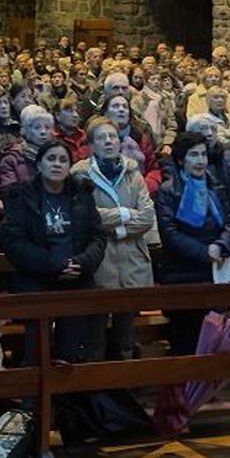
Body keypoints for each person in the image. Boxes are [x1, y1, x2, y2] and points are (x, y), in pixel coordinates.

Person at [0, 139, 105, 363]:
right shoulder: (21, 196)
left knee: (74, 353)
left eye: (63, 160)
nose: (57, 164)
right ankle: (33, 398)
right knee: (36, 353)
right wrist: (53, 265)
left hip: (77, 282)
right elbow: (13, 242)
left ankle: (69, 397)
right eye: (51, 159)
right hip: (37, 283)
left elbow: (98, 236)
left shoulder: (82, 194)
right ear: (39, 164)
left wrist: (83, 263)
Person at [73, 114, 155, 361]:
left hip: (131, 259)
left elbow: (147, 217)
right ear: (91, 144)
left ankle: (126, 385)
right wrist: (123, 213)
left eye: (112, 136)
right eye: (101, 138)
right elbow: (86, 217)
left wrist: (116, 228)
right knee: (95, 329)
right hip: (101, 260)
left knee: (126, 330)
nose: (108, 141)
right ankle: (97, 390)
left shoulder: (133, 171)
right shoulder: (79, 173)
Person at [156, 131, 230, 355]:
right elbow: (171, 235)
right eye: (193, 155)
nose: (200, 160)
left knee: (214, 340)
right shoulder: (168, 191)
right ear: (181, 159)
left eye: (203, 154)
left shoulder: (216, 186)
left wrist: (221, 245)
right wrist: (205, 251)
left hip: (216, 271)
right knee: (187, 342)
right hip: (182, 274)